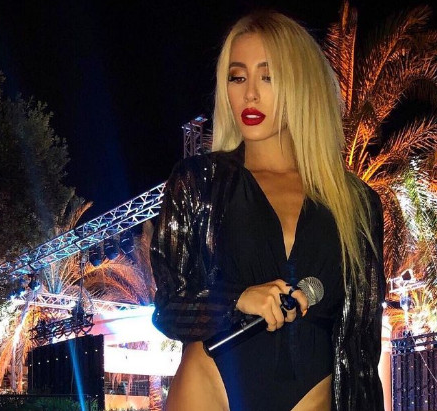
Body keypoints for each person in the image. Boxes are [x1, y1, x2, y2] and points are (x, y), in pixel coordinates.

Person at [151, 11, 385, 411]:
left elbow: (361, 346)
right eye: (237, 77)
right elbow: (169, 307)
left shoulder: (357, 204)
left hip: (312, 394)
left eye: (268, 77)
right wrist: (237, 298)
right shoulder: (200, 181)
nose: (250, 95)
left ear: (301, 85)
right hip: (210, 382)